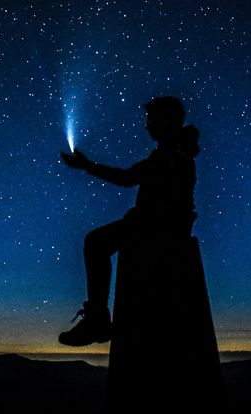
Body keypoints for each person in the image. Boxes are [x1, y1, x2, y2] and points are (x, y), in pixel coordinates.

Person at [58, 96, 200, 346]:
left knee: (96, 242)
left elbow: (128, 178)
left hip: (160, 227)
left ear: (167, 121)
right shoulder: (174, 151)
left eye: (151, 120)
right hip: (161, 224)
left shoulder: (172, 154)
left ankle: (97, 320)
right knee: (97, 241)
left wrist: (86, 166)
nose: (147, 126)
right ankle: (97, 318)